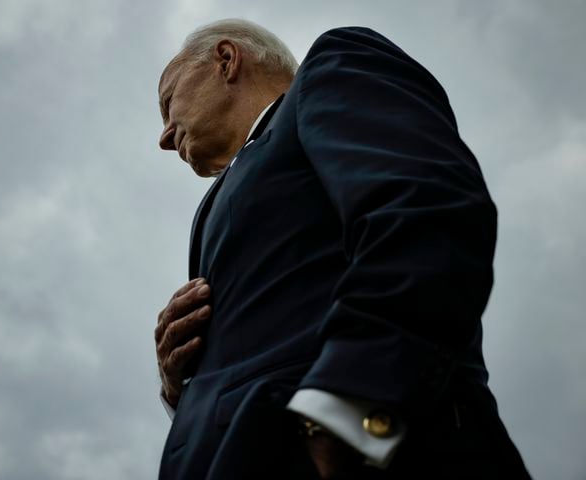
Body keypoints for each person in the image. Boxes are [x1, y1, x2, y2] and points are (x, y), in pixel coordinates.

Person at [154, 19, 532, 479]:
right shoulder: (222, 198)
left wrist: (353, 409)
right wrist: (182, 386)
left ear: (227, 60)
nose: (165, 136)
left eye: (168, 103)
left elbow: (421, 209)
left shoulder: (331, 70)